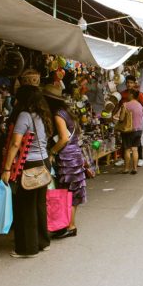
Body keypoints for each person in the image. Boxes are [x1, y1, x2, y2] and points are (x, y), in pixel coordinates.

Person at [1, 85, 52, 258]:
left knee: (25, 206)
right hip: (43, 162)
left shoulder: (25, 115)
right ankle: (43, 242)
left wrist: (7, 168)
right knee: (39, 204)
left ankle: (28, 248)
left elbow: (15, 143)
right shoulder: (42, 115)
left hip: (29, 164)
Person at [43, 84, 86, 239]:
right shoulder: (67, 112)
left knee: (67, 191)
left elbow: (64, 138)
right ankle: (69, 225)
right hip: (75, 155)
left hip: (67, 158)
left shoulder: (57, 114)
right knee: (73, 191)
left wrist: (52, 152)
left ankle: (69, 226)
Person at [117, 75, 143, 167]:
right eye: (127, 82)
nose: (129, 84)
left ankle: (140, 159)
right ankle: (123, 159)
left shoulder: (138, 94)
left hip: (136, 121)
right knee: (124, 140)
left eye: (131, 82)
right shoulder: (122, 94)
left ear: (134, 83)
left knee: (137, 141)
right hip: (125, 120)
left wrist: (139, 113)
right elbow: (118, 106)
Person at [119, 90, 143, 175]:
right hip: (139, 130)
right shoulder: (140, 105)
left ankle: (126, 169)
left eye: (128, 94)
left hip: (129, 130)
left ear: (131, 95)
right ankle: (135, 168)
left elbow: (121, 118)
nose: (127, 95)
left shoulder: (126, 105)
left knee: (127, 149)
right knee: (135, 149)